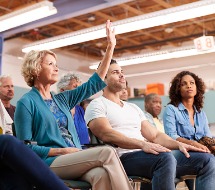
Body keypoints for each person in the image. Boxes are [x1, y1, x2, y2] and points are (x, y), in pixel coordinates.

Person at [14, 20, 132, 190]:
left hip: (74, 157)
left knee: (101, 174)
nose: (56, 68)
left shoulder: (62, 99)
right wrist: (61, 151)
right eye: (50, 64)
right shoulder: (26, 103)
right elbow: (24, 149)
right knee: (107, 151)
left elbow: (94, 82)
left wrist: (110, 47)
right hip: (49, 162)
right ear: (35, 70)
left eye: (56, 64)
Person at [84, 60, 215, 190]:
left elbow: (155, 135)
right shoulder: (97, 104)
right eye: (115, 72)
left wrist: (180, 144)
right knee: (165, 158)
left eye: (122, 72)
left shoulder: (133, 107)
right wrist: (142, 144)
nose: (122, 75)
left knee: (207, 160)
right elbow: (106, 134)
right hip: (121, 158)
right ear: (103, 77)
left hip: (148, 155)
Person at [163, 71, 212, 152]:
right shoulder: (171, 109)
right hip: (182, 151)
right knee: (208, 159)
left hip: (202, 150)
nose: (189, 86)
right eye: (183, 84)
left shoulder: (201, 113)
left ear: (197, 87)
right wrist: (192, 143)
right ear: (178, 89)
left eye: (192, 83)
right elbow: (171, 136)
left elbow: (208, 136)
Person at [0, 135, 69, 190]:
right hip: (48, 159)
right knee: (6, 142)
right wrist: (60, 151)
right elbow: (27, 144)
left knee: (10, 171)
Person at [57, 72, 90, 144]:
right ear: (62, 90)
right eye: (75, 87)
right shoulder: (56, 110)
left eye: (80, 87)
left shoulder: (81, 109)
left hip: (85, 150)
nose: (79, 90)